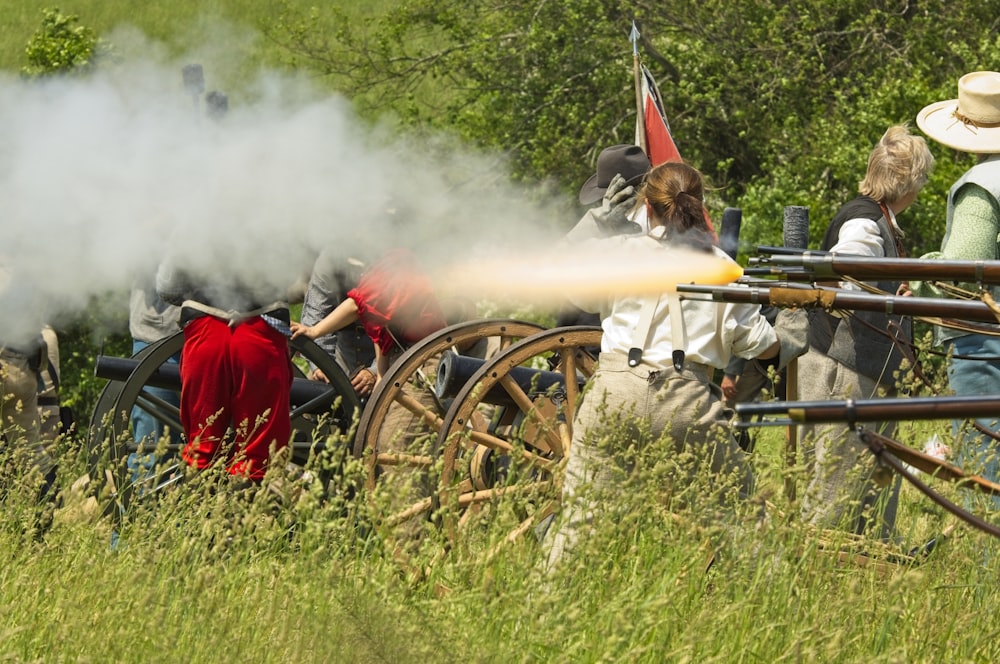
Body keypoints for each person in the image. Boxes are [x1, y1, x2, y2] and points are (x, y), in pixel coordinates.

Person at [545, 161, 801, 569]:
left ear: (647, 208)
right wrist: (795, 323)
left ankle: (542, 606)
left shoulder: (617, 253)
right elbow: (762, 345)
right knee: (747, 527)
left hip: (614, 395)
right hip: (687, 403)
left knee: (577, 528)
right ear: (700, 207)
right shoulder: (722, 268)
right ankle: (776, 605)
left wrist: (598, 226)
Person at [797, 125, 934, 539]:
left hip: (855, 366)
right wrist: (879, 289)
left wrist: (893, 287)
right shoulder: (865, 223)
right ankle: (818, 574)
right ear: (909, 184)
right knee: (837, 487)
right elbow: (850, 270)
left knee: (864, 483)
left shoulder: (876, 219)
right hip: (846, 368)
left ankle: (869, 559)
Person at [913, 71, 1000, 505]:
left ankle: (986, 568)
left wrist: (916, 277)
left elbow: (963, 270)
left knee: (985, 467)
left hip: (984, 341)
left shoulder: (981, 186)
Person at [155, 263, 294, 482]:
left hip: (205, 327)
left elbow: (167, 288)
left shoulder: (189, 228)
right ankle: (253, 511)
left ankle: (200, 511)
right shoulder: (277, 228)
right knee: (259, 454)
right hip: (261, 327)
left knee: (202, 445)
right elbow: (295, 280)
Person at [299, 248, 377, 399]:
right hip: (343, 351)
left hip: (389, 355)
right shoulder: (330, 259)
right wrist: (322, 367)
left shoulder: (386, 258)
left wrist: (374, 372)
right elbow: (316, 314)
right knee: (312, 401)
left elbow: (358, 305)